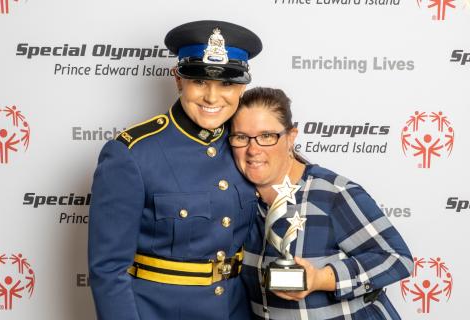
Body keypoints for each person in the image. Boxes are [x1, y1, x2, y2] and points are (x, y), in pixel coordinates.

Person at [88, 20, 262, 320]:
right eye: (199, 81)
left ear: (243, 87)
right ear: (178, 79)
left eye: (227, 84)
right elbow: (107, 269)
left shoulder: (250, 145)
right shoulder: (132, 153)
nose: (212, 97)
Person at [229, 87, 414, 319]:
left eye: (267, 136)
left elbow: (397, 259)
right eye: (241, 137)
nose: (253, 149)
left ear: (291, 137)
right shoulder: (236, 203)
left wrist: (320, 279)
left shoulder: (332, 193)